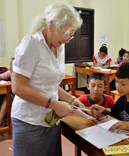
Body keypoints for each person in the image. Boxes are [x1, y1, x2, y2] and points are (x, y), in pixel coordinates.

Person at [11, 3, 84, 156]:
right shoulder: (32, 44)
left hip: (50, 120)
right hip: (29, 121)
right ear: (51, 24)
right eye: (66, 33)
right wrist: (54, 104)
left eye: (71, 35)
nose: (68, 39)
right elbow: (18, 87)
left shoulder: (59, 47)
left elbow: (49, 84)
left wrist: (70, 99)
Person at [0, 57, 14, 127]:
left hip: (15, 96)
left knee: (7, 98)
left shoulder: (21, 75)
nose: (10, 67)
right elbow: (1, 76)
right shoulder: (9, 72)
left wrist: (11, 83)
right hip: (9, 93)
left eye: (12, 66)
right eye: (10, 65)